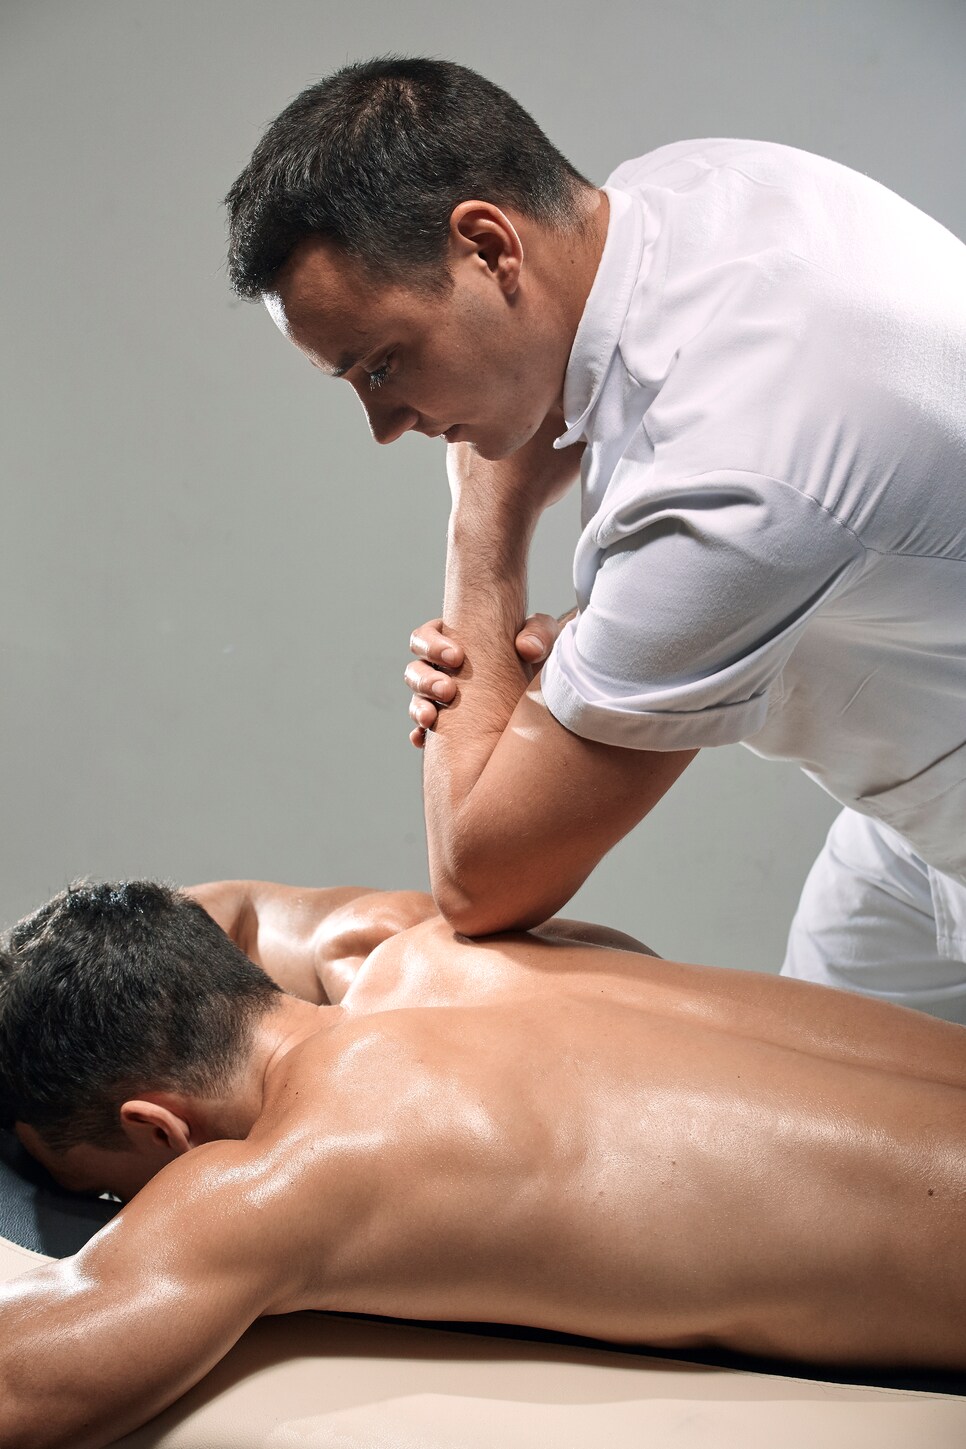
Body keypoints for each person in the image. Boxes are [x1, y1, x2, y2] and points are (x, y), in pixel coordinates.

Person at [224, 57, 966, 1021]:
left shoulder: (731, 469)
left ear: (489, 248)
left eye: (382, 365)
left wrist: (483, 514)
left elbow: (480, 880)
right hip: (908, 814)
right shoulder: (681, 193)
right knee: (845, 1134)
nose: (385, 425)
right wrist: (617, 630)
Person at [1, 877, 965, 1449]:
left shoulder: (298, 1167)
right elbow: (229, 912)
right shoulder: (417, 941)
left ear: (160, 1131)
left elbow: (23, 1388)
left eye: (106, 1186)